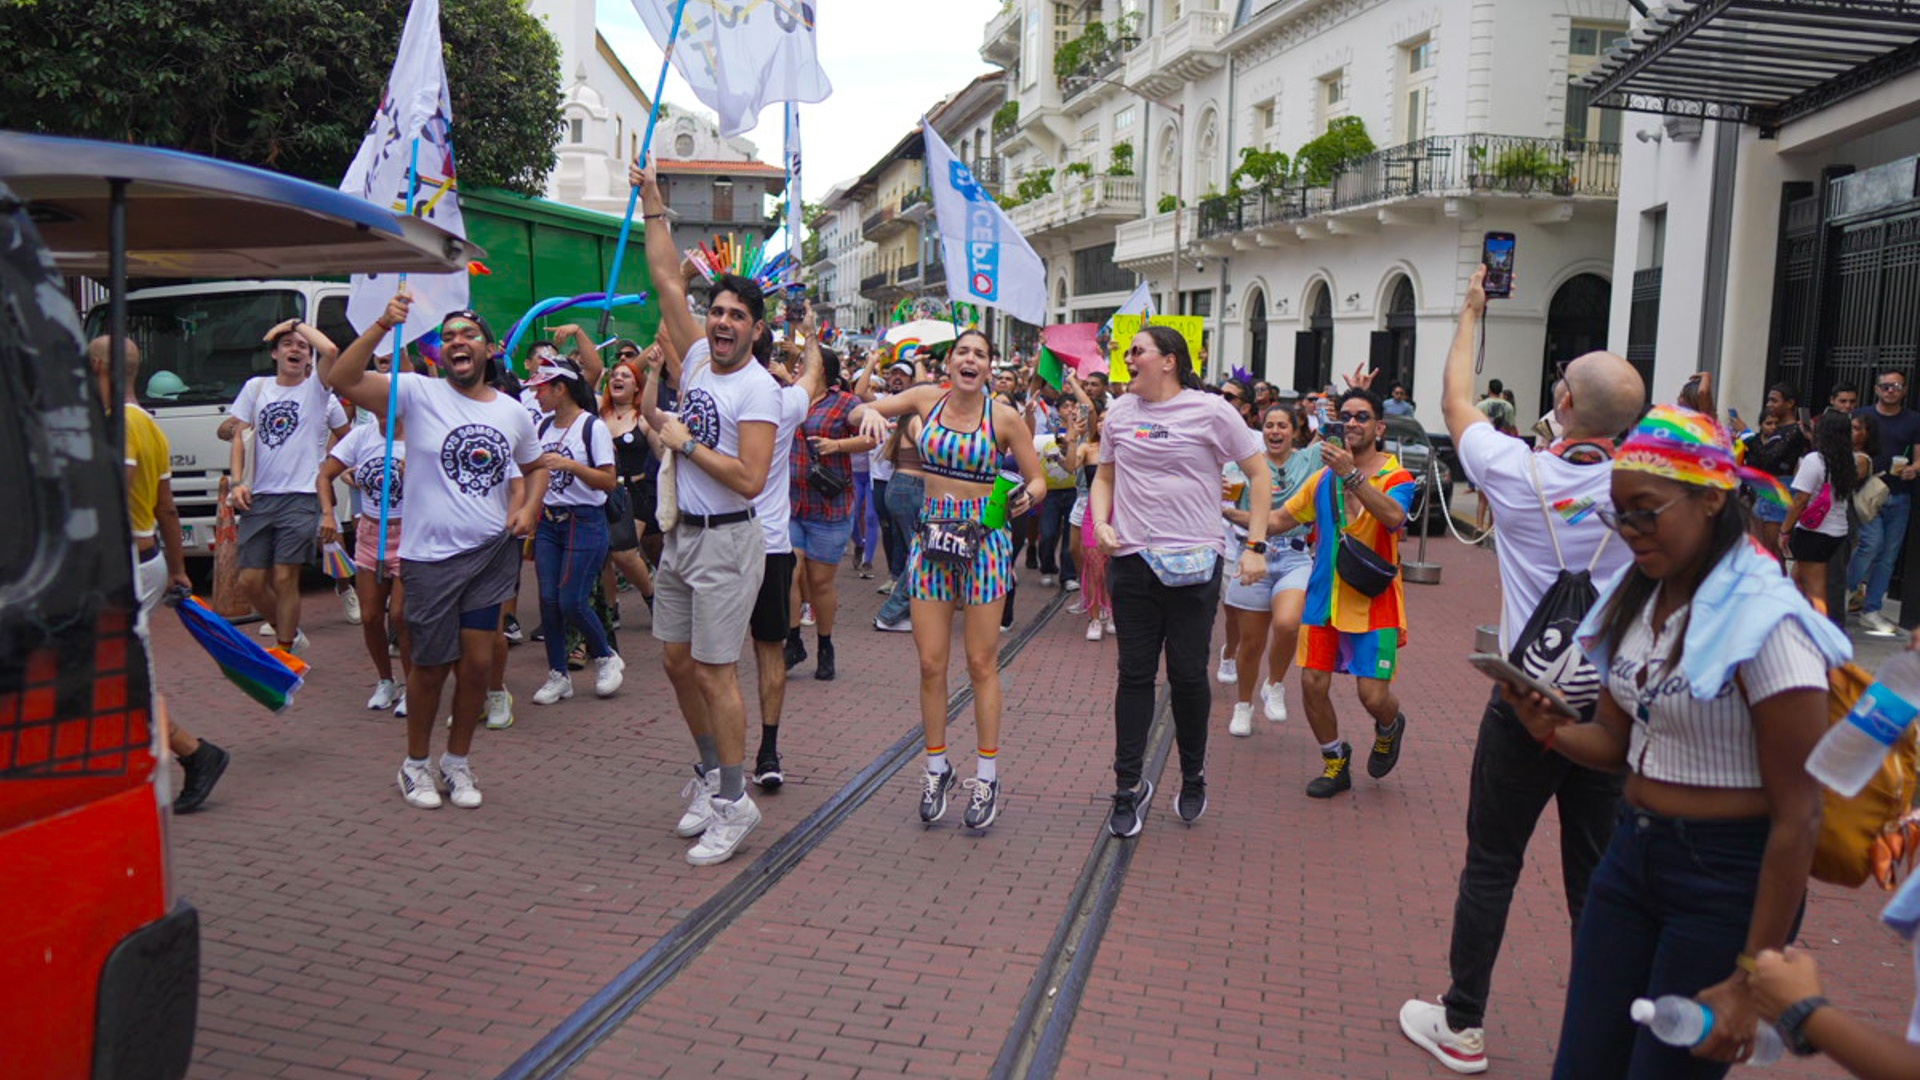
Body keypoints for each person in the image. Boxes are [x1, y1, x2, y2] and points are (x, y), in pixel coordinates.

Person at [1500, 405, 1847, 1080]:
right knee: (1582, 1064)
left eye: (1646, 513)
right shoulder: (1636, 596)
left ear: (1711, 498)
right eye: (1619, 516)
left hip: (1725, 879)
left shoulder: (1769, 622)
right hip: (1630, 859)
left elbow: (1800, 815)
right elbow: (1615, 742)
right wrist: (1549, 729)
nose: (1629, 532)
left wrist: (1751, 978)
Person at [1398, 268, 1647, 1074]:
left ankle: (1462, 1022)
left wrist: (1472, 313)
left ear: (1562, 402)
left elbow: (1454, 400)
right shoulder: (1646, 487)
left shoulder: (1514, 468)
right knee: (1598, 878)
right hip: (1609, 707)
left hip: (1525, 695)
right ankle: (1608, 1033)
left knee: (1492, 863)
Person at [323, 295, 547, 811]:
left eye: (468, 334)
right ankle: (415, 764)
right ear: (439, 352)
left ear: (489, 349)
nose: (456, 342)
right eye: (448, 337)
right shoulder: (415, 392)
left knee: (477, 666)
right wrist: (383, 323)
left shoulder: (512, 411)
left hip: (490, 555)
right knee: (429, 666)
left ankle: (457, 761)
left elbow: (536, 467)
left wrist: (528, 508)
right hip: (427, 559)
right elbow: (342, 378)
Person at [634, 158, 779, 866]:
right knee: (675, 661)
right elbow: (667, 278)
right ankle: (707, 773)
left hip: (728, 542)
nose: (721, 322)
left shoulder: (759, 389)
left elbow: (750, 479)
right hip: (682, 538)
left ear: (755, 329)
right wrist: (652, 202)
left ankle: (733, 800)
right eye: (716, 312)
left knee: (717, 671)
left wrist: (685, 442)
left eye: (735, 316)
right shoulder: (693, 360)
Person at [853, 328, 1046, 831]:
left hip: (985, 538)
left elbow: (1038, 477)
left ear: (989, 368)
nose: (970, 359)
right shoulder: (924, 399)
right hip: (932, 537)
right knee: (930, 663)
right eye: (963, 351)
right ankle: (936, 768)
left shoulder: (1003, 417)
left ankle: (987, 776)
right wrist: (868, 413)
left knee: (981, 663)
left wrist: (1027, 496)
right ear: (950, 362)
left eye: (980, 354)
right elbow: (858, 409)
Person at [1094, 326, 1269, 837]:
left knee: (1189, 676)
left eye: (1137, 351)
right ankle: (1127, 786)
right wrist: (1101, 522)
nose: (1128, 358)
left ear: (1169, 360)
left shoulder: (1212, 411)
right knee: (1134, 674)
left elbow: (1259, 475)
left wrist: (1256, 546)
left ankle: (1193, 775)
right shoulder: (1120, 413)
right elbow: (1104, 476)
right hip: (1132, 560)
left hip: (1194, 564)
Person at [91, 337, 227, 812]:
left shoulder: (120, 425)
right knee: (111, 670)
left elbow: (109, 498)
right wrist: (178, 570)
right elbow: (166, 506)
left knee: (121, 675)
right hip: (146, 558)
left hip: (123, 564)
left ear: (96, 366)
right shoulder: (149, 423)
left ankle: (193, 753)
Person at [1263, 385, 1418, 798]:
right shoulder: (1322, 479)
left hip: (1375, 602)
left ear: (1379, 428)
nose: (1351, 423)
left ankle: (1389, 725)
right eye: (1344, 416)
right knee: (1312, 684)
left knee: (1373, 696)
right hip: (1322, 599)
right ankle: (1335, 762)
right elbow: (1277, 520)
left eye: (1362, 417)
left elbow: (1393, 517)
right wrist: (1220, 511)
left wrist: (1352, 475)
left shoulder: (1397, 476)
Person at [227, 318, 349, 655]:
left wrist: (294, 324)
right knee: (249, 581)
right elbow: (238, 436)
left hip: (302, 496)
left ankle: (283, 651)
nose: (295, 349)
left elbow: (331, 350)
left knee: (284, 577)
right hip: (259, 496)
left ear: (309, 357)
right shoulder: (256, 387)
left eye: (302, 346)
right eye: (287, 344)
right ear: (274, 353)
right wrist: (237, 482)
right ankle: (290, 633)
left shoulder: (317, 390)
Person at [742, 311, 817, 790]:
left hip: (763, 543)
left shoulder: (781, 402)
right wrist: (809, 334)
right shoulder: (783, 399)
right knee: (757, 651)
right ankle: (756, 751)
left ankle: (760, 751)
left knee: (760, 650)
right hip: (740, 542)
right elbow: (814, 374)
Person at [526, 354, 625, 705]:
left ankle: (605, 656)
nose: (536, 395)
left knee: (572, 600)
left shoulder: (591, 427)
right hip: (549, 523)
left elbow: (608, 480)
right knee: (548, 601)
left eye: (541, 389)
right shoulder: (541, 428)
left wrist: (570, 465)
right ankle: (558, 674)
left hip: (584, 521)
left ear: (561, 388)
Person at [1222, 402, 1316, 735]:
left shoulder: (1310, 459)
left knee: (1289, 624)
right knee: (1251, 643)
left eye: (1282, 426)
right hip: (1253, 554)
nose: (1275, 432)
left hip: (1294, 555)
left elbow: (1336, 439)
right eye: (1269, 426)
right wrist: (1226, 503)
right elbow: (1221, 499)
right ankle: (1243, 706)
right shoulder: (1243, 465)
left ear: (1295, 431)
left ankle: (1274, 684)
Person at [783, 344, 871, 681]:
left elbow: (869, 437)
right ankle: (793, 641)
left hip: (828, 509)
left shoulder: (845, 402)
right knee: (788, 573)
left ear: (820, 370)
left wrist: (837, 445)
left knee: (820, 583)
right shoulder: (792, 397)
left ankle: (824, 644)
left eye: (803, 364)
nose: (797, 368)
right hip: (790, 504)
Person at [318, 410, 411, 715]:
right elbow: (324, 475)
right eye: (378, 410)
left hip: (410, 534)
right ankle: (386, 680)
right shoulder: (362, 436)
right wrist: (328, 514)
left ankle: (414, 685)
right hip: (371, 534)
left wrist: (415, 473)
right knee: (370, 616)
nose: (383, 417)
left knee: (400, 616)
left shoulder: (420, 436)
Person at [1850, 369, 1920, 635]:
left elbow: (1918, 457)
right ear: (1877, 389)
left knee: (1888, 556)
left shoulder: (1913, 420)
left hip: (1899, 493)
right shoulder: (1862, 416)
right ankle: (1846, 591)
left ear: (1904, 390)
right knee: (1870, 544)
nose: (1891, 390)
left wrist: (1914, 468)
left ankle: (1871, 609)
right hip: (1866, 492)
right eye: (1886, 386)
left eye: (1897, 386)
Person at [1780, 410, 1857, 616]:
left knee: (1815, 590)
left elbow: (1800, 500)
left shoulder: (1814, 460)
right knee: (1797, 579)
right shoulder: (1848, 460)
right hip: (1838, 531)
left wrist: (1785, 530)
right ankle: (1791, 619)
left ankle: (1820, 629)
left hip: (1813, 533)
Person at [599, 353, 658, 615]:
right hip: (605, 491)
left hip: (636, 493)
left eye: (626, 376)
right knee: (604, 555)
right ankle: (610, 610)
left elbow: (663, 456)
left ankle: (651, 595)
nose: (618, 378)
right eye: (615, 375)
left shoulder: (643, 418)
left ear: (636, 386)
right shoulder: (598, 414)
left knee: (624, 553)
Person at [1741, 383, 1810, 554]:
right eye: (1768, 400)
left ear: (1790, 403)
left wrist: (1746, 434)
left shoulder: (1795, 430)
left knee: (1773, 552)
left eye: (1774, 401)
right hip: (1764, 489)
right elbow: (1759, 459)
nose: (1769, 405)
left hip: (1780, 489)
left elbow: (1769, 458)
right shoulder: (1776, 430)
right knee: (1760, 549)